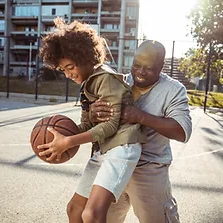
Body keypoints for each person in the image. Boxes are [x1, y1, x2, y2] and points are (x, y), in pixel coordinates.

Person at [37, 18, 146, 223]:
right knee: (74, 210)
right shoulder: (86, 84)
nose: (68, 74)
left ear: (86, 56)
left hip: (123, 148)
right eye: (63, 70)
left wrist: (69, 142)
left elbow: (112, 125)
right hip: (103, 148)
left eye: (70, 67)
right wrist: (60, 136)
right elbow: (87, 125)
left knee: (91, 214)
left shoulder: (106, 79)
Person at [89, 40, 192, 223]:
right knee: (101, 218)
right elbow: (98, 124)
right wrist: (94, 113)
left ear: (161, 67)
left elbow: (182, 131)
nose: (140, 72)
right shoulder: (119, 83)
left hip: (149, 168)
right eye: (137, 65)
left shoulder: (174, 90)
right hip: (115, 163)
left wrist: (142, 117)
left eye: (149, 68)